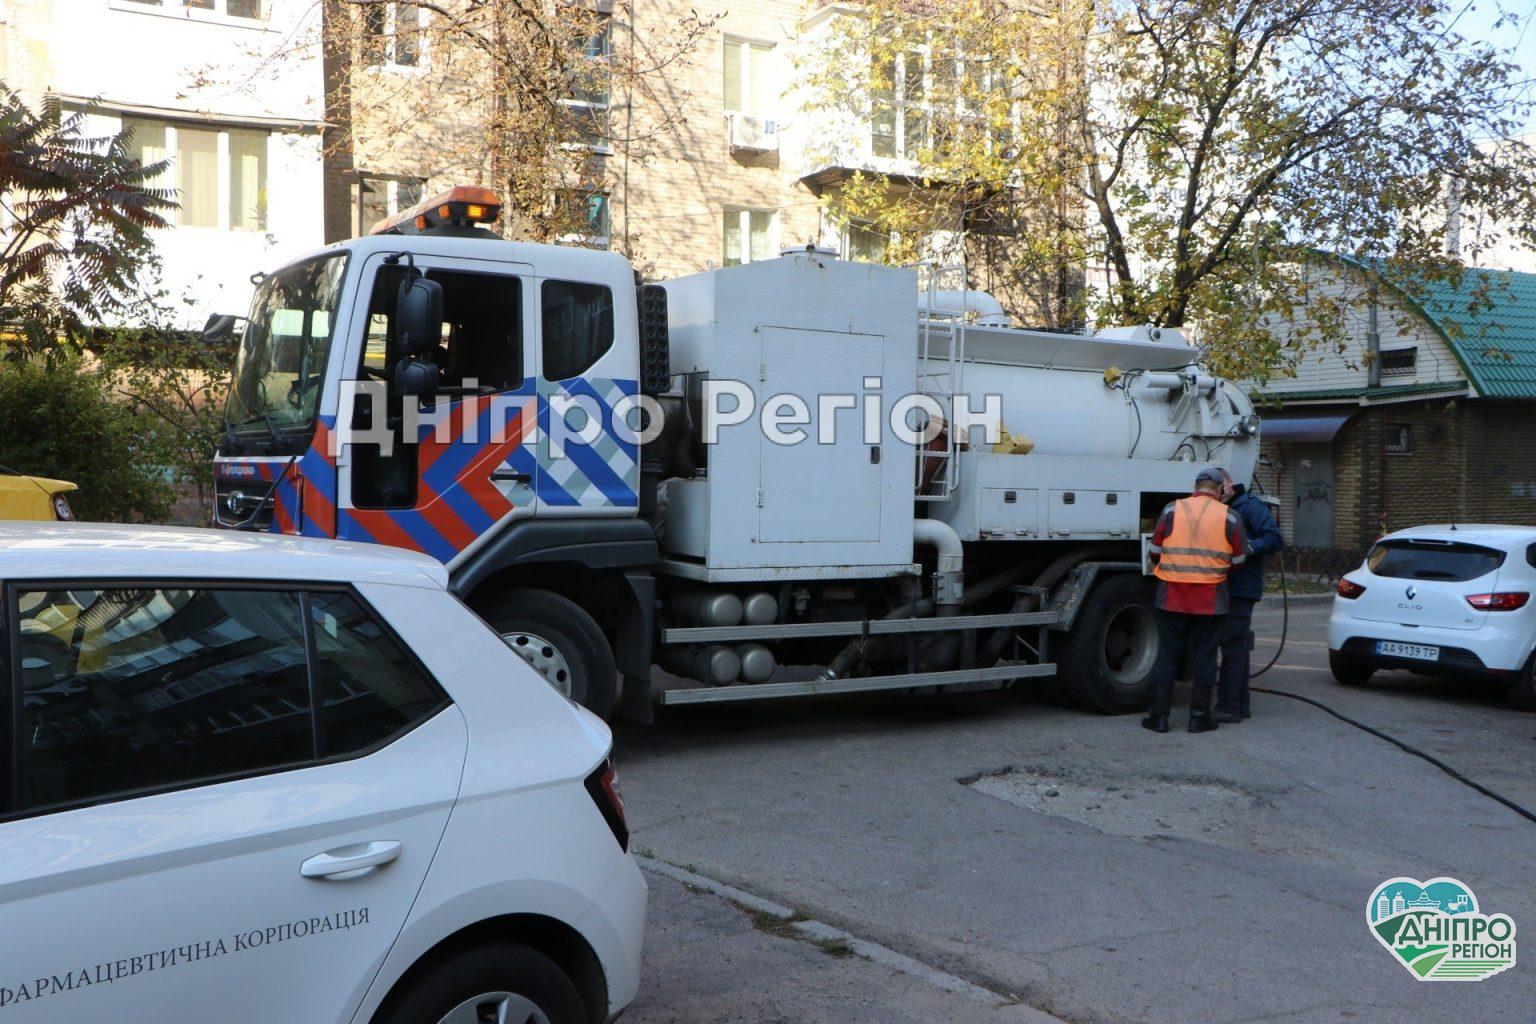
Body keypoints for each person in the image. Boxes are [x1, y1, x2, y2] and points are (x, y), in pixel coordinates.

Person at [1141, 467, 1248, 734]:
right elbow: (1239, 560)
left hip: (1172, 596)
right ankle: (1199, 718)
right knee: (1205, 659)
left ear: (1196, 486)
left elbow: (1154, 551)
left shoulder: (1171, 510)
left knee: (1167, 656)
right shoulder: (1230, 517)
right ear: (1220, 489)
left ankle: (1159, 718)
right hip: (1210, 599)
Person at [1215, 473, 1284, 723]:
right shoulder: (1224, 507)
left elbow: (1275, 537)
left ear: (1230, 482)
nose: (1219, 491)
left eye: (1221, 486)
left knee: (1233, 645)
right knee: (1237, 645)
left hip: (1241, 587)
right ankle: (1238, 704)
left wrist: (1247, 548)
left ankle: (1229, 707)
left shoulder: (1249, 506)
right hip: (1229, 586)